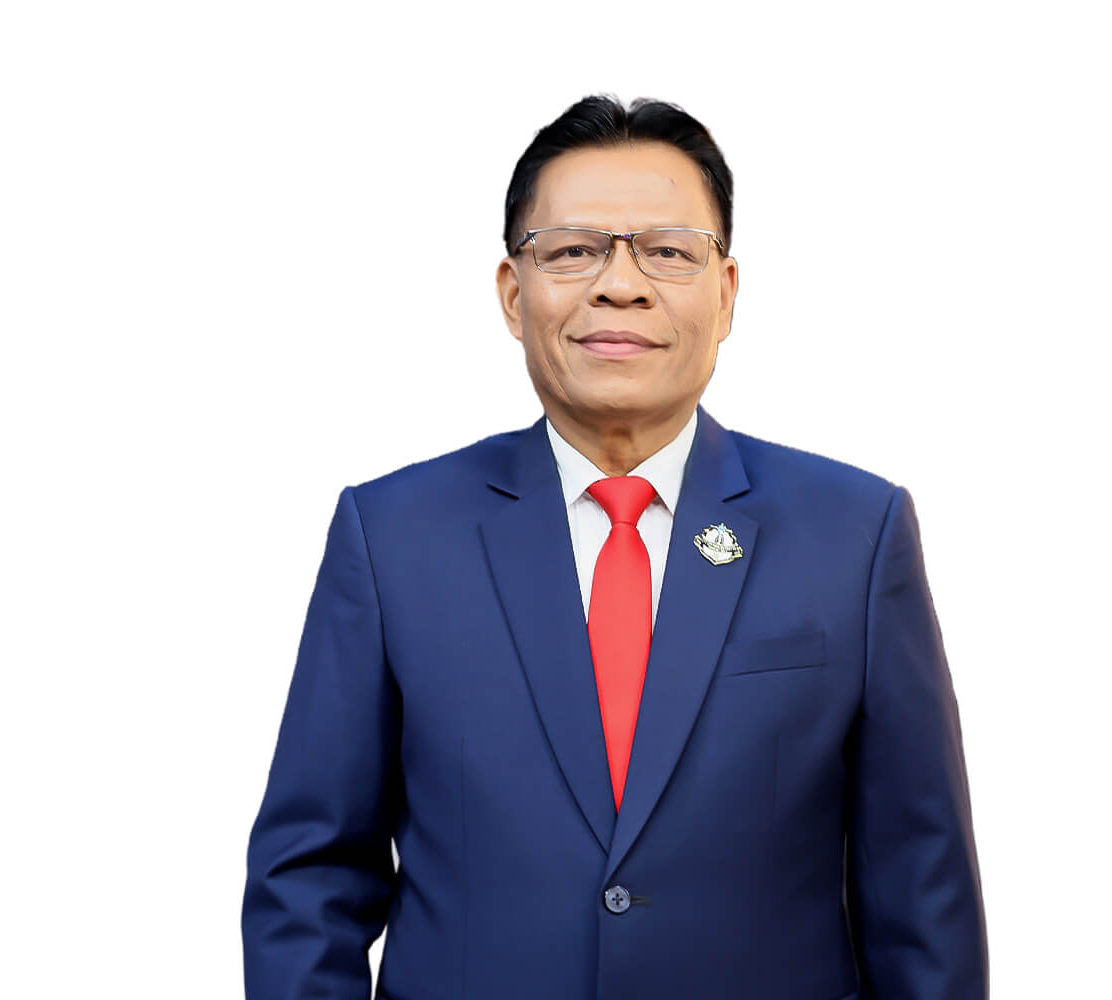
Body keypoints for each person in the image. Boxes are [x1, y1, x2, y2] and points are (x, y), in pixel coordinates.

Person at [241, 94, 988, 1000]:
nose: (620, 285)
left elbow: (920, 891)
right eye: (573, 250)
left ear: (726, 293)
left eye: (669, 251)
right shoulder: (393, 534)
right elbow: (310, 879)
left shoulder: (855, 533)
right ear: (513, 293)